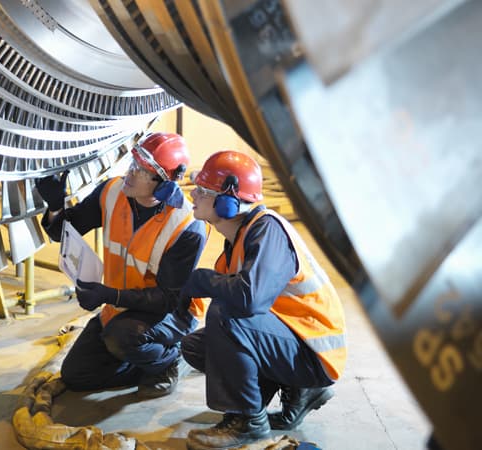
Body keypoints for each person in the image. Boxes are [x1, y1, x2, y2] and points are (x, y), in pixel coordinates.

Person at [179, 151, 347, 449]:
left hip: (315, 352)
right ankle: (298, 389)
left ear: (227, 203)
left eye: (203, 191)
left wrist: (204, 280)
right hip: (294, 342)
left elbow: (250, 299)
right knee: (197, 347)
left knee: (226, 314)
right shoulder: (237, 241)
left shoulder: (268, 230)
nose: (194, 195)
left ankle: (247, 423)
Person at [36, 132, 208, 398]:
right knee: (77, 375)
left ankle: (171, 358)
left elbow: (167, 299)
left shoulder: (187, 227)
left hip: (171, 314)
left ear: (163, 184)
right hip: (121, 308)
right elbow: (64, 231)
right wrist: (56, 206)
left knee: (121, 337)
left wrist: (108, 295)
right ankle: (141, 359)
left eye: (141, 170)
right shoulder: (112, 192)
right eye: (133, 163)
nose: (130, 171)